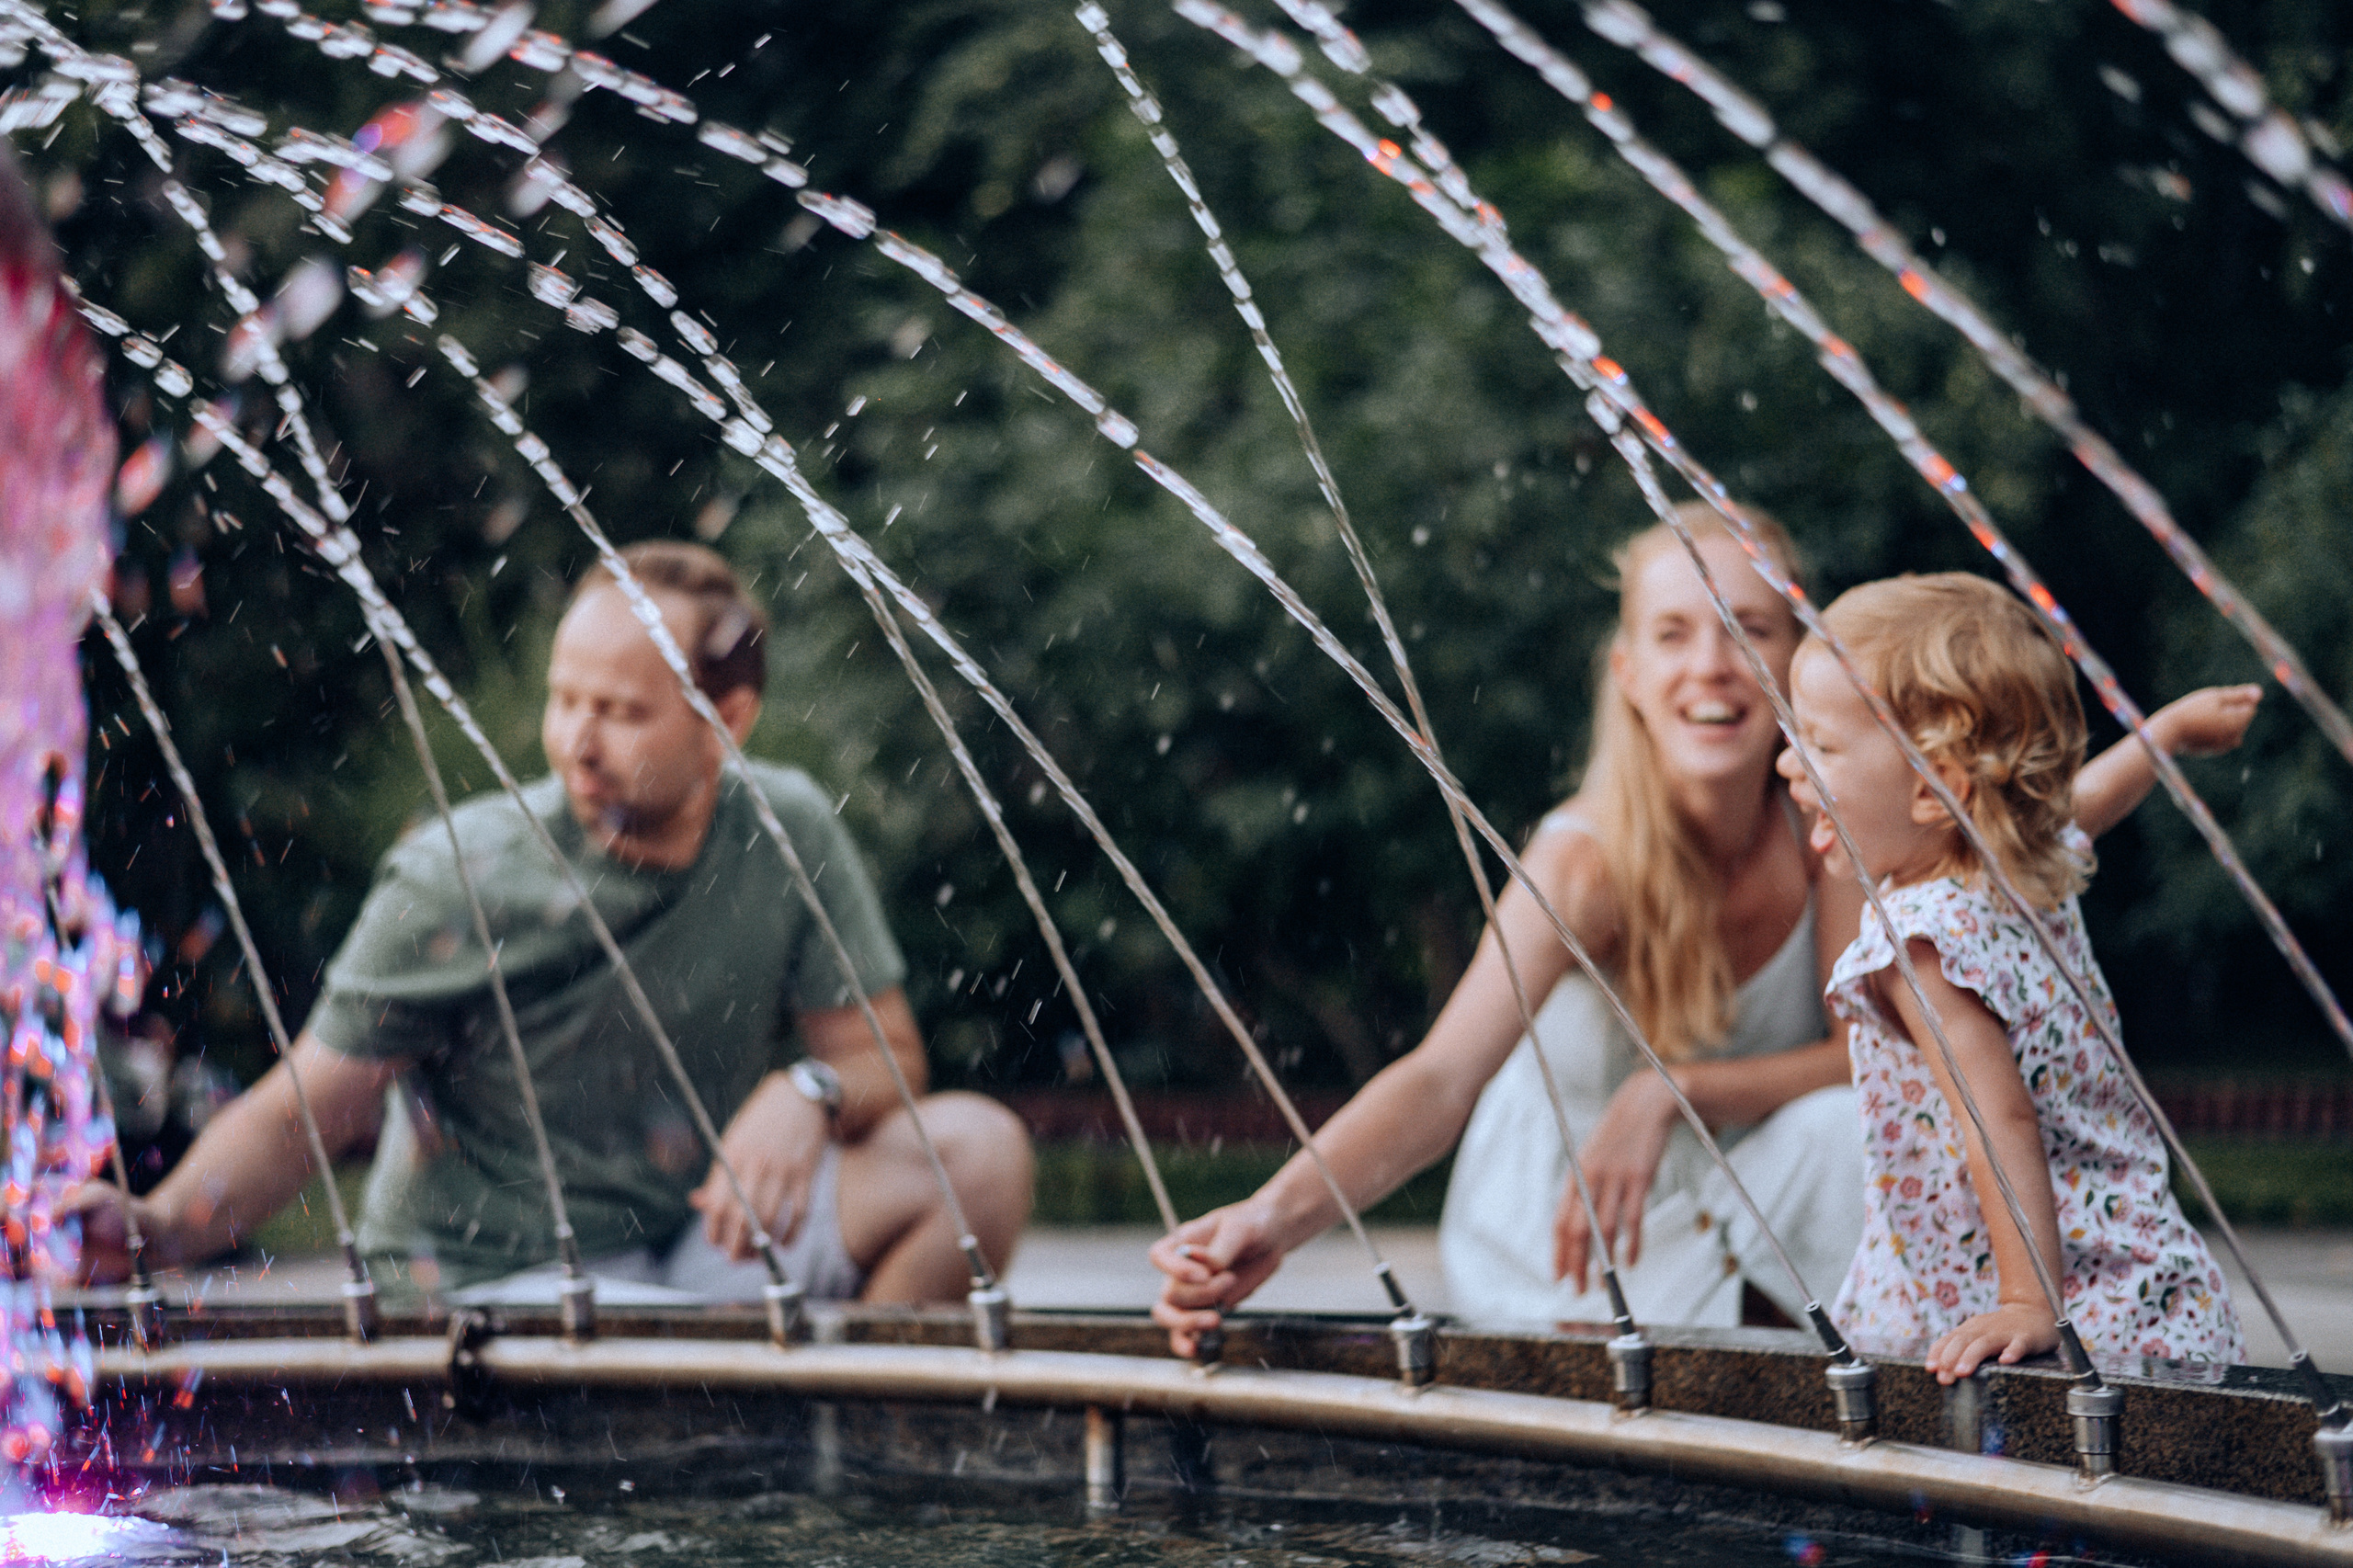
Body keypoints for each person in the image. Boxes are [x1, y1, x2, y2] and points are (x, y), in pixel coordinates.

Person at [1152, 506, 2259, 1349]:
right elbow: (1441, 1077)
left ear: (1804, 659)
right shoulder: (1585, 857)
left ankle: (1957, 1362)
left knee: (1847, 1132)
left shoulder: (1838, 833)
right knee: (1836, 1148)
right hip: (1578, 1231)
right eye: (1674, 633)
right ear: (1630, 674)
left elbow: (1902, 1013)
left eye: (1750, 626)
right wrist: (1270, 1218)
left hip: (1736, 1185)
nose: (1713, 665)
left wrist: (1672, 1087)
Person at [73, 540, 1032, 1305]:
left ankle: (850, 1444)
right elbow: (308, 1108)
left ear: (724, 720)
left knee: (976, 1157)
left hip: (693, 1247)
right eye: (564, 699)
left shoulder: (786, 827)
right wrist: (158, 1228)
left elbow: (888, 1057)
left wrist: (810, 1086)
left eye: (618, 710)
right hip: (494, 1291)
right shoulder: (463, 872)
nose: (577, 740)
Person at [1781, 572, 2243, 1373]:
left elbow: (1998, 1122)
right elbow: (2085, 801)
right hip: (2140, 1277)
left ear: (1933, 789)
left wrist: (2029, 1302)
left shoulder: (1920, 947)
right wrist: (2163, 736)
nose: (1790, 763)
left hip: (2025, 1293)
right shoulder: (2014, 865)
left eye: (1819, 745)